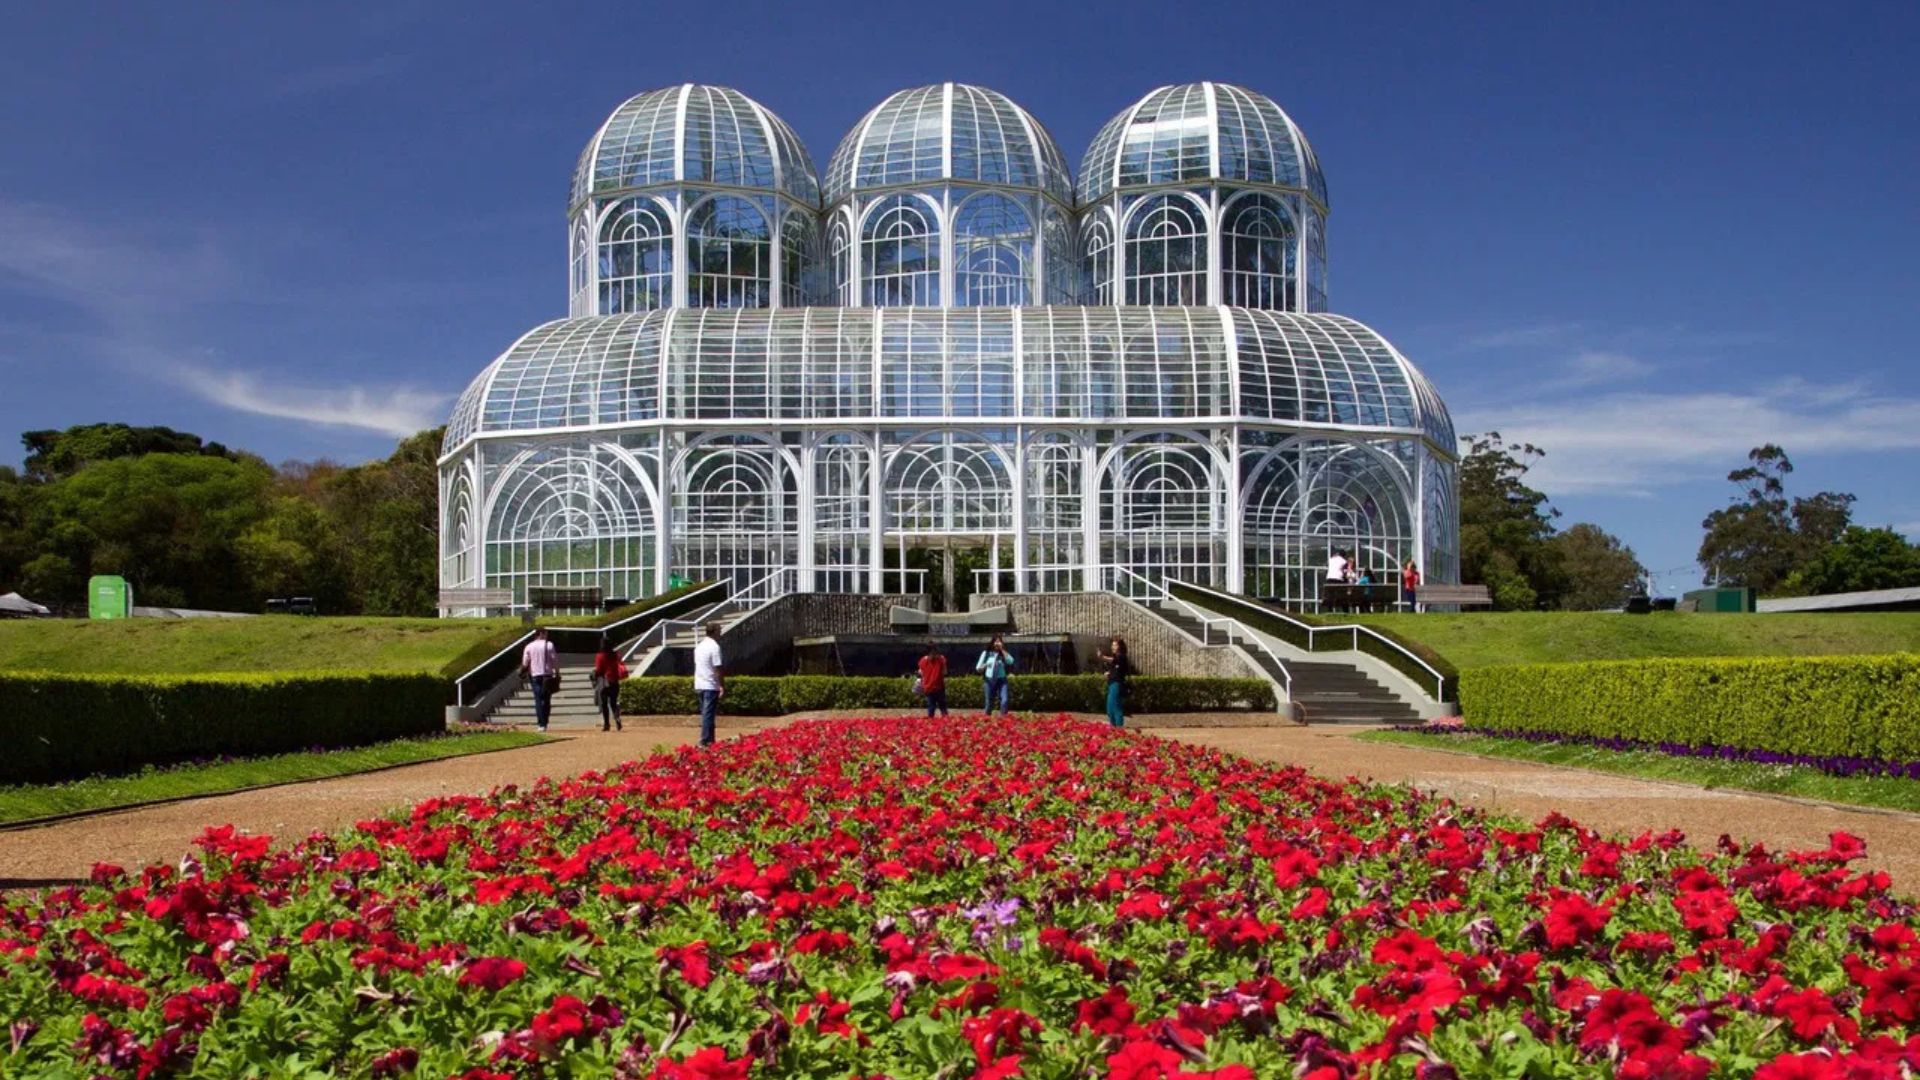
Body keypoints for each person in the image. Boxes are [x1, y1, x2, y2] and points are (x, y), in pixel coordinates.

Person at [519, 627, 559, 732]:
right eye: (546, 634)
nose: (547, 636)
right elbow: (554, 660)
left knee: (538, 699)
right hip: (547, 675)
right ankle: (545, 721)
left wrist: (522, 671)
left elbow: (525, 663)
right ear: (541, 634)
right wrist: (557, 672)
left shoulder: (528, 646)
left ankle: (541, 723)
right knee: (546, 699)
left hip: (534, 675)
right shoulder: (549, 645)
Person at [692, 622, 724, 746]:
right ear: (715, 631)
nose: (720, 632)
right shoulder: (714, 647)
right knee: (708, 714)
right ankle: (705, 740)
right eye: (719, 630)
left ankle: (710, 739)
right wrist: (721, 684)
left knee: (706, 713)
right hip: (710, 684)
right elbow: (718, 667)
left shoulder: (699, 646)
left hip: (699, 683)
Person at [591, 633, 625, 732]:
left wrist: (594, 675)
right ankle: (617, 718)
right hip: (614, 681)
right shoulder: (616, 655)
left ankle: (607, 724)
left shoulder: (600, 656)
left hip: (604, 682)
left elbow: (599, 669)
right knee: (613, 703)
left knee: (604, 704)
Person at [975, 635, 1014, 717]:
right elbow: (978, 668)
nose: (997, 643)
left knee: (1005, 700)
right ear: (992, 643)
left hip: (1002, 680)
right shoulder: (986, 653)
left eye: (999, 641)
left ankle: (1004, 718)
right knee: (989, 703)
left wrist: (1002, 649)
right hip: (989, 680)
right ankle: (987, 719)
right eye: (996, 641)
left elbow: (1011, 661)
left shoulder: (1003, 653)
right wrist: (985, 665)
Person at [1096, 637, 1131, 729]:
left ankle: (1119, 728)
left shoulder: (1121, 656)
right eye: (1112, 645)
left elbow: (1114, 660)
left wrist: (1102, 657)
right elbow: (1116, 669)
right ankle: (1113, 726)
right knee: (1110, 707)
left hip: (1117, 684)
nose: (1113, 647)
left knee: (1116, 706)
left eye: (1115, 645)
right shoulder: (1117, 657)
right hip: (1112, 684)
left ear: (1120, 647)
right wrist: (1109, 673)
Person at [916, 641, 949, 718]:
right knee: (943, 708)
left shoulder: (922, 661)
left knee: (931, 708)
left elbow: (920, 672)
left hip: (928, 687)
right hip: (939, 687)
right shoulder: (941, 659)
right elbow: (945, 672)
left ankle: (930, 725)